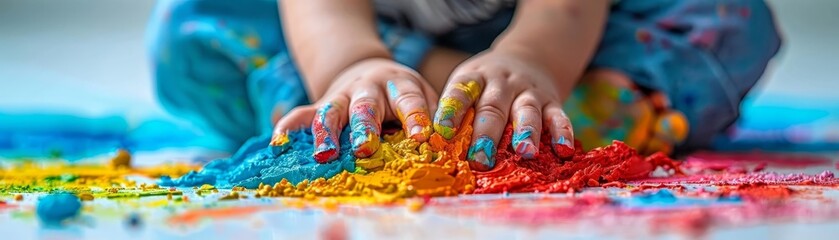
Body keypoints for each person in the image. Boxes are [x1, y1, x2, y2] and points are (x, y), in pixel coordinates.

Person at [148, 0, 781, 171]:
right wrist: (349, 64)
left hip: (570, 38)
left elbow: (565, 9)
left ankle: (554, 96)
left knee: (729, 19)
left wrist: (535, 57)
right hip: (367, 40)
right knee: (190, 30)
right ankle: (372, 99)